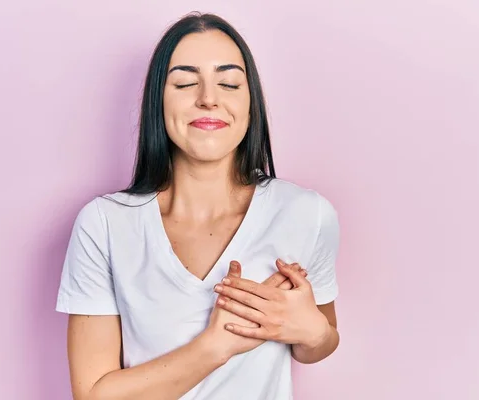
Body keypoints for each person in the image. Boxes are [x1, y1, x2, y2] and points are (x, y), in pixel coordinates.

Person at [56, 12, 341, 400]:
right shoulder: (104, 224)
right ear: (159, 101)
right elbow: (93, 395)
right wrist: (214, 346)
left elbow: (318, 341)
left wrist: (314, 332)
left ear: (250, 102)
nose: (208, 98)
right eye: (186, 82)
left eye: (228, 83)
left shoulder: (308, 214)